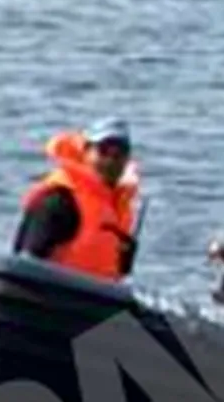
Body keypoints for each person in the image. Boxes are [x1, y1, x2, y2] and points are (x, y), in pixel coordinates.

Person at [13, 118, 141, 282]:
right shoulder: (60, 200)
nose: (110, 161)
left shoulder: (117, 210)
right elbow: (26, 261)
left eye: (119, 154)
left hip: (98, 300)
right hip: (54, 298)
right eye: (103, 151)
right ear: (86, 152)